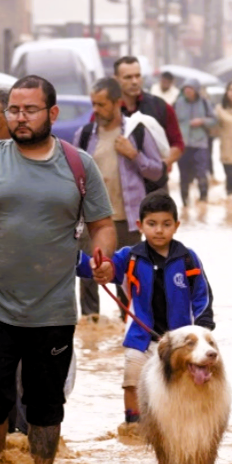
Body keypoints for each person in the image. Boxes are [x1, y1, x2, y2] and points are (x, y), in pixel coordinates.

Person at [0, 76, 116, 464]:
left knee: (45, 403)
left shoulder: (78, 165)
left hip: (53, 308)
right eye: (14, 111)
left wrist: (101, 257)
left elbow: (102, 224)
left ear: (52, 113)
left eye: (30, 110)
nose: (20, 119)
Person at [76, 190, 214, 435]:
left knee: (182, 385)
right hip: (141, 337)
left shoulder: (188, 259)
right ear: (140, 225)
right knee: (132, 382)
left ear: (176, 226)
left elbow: (202, 296)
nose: (159, 230)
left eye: (166, 224)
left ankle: (178, 429)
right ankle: (134, 428)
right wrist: (88, 264)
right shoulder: (129, 257)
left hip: (179, 344)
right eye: (152, 224)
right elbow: (103, 270)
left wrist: (203, 328)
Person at [76, 77, 164, 321]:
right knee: (88, 277)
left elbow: (157, 171)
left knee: (126, 277)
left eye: (101, 104)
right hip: (91, 219)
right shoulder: (83, 135)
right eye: (93, 103)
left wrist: (133, 154)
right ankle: (91, 327)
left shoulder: (136, 132)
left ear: (117, 103)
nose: (95, 109)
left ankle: (126, 326)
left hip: (127, 219)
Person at [114, 56, 183, 184]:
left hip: (154, 186)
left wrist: (161, 165)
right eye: (128, 77)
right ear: (116, 79)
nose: (134, 81)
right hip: (120, 186)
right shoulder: (110, 110)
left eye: (137, 76)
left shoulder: (160, 106)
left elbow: (177, 144)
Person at [173, 79, 217, 208]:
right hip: (183, 145)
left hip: (200, 145)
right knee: (184, 176)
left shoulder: (204, 103)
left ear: (196, 90)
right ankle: (184, 204)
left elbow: (214, 120)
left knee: (202, 174)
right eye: (186, 88)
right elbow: (170, 122)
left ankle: (203, 202)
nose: (188, 91)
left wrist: (202, 121)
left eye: (190, 88)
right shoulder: (178, 103)